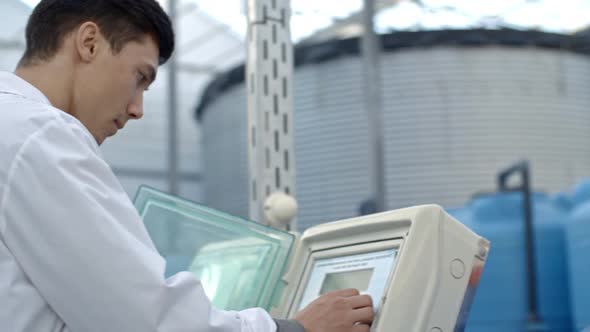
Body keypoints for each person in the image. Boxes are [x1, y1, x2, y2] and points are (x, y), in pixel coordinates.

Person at [0, 0, 375, 331]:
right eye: (140, 78)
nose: (137, 109)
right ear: (89, 43)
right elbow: (144, 318)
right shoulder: (42, 134)